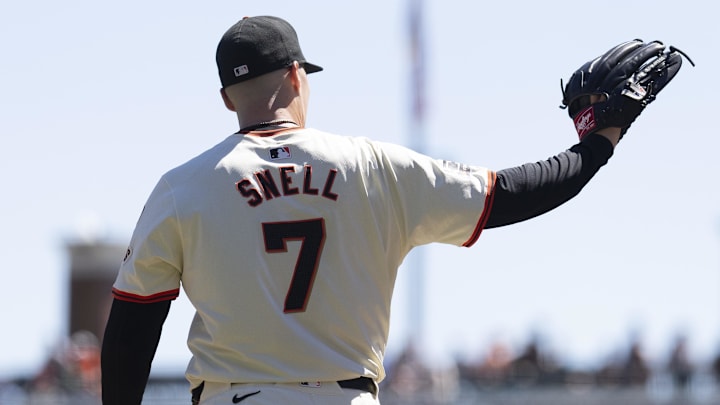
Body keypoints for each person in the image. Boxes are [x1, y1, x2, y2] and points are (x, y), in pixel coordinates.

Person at [101, 15, 625, 405]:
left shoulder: (181, 187)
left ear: (225, 99)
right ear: (296, 76)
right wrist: (600, 138)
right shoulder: (371, 165)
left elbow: (131, 330)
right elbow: (514, 194)